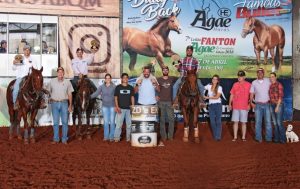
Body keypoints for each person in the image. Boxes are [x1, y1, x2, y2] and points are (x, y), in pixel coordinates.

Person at [12, 45, 42, 110]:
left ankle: (41, 102)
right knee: (16, 88)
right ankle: (15, 103)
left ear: (30, 51)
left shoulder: (33, 59)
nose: (27, 51)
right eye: (25, 50)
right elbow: (13, 68)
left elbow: (36, 69)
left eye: (28, 50)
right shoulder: (20, 58)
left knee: (39, 86)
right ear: (23, 51)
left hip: (30, 78)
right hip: (21, 77)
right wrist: (14, 63)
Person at [49, 67, 73, 144]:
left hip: (64, 103)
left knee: (65, 122)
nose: (60, 74)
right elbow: (48, 92)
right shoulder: (52, 81)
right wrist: (49, 99)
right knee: (55, 123)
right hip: (54, 103)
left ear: (63, 73)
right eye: (59, 72)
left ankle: (64, 139)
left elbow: (70, 94)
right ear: (57, 73)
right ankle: (56, 139)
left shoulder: (67, 82)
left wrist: (70, 105)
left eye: (61, 72)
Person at [90, 73, 116, 142]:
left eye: (109, 78)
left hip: (113, 106)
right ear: (105, 79)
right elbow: (96, 93)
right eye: (106, 78)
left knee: (112, 122)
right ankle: (106, 136)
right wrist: (89, 97)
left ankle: (112, 137)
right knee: (106, 122)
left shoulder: (114, 87)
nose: (107, 79)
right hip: (105, 107)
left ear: (110, 79)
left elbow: (117, 96)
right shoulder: (101, 87)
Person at [250, 68, 272, 143]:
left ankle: (268, 138)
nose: (260, 74)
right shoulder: (254, 82)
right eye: (258, 72)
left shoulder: (268, 80)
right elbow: (251, 93)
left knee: (268, 122)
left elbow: (273, 87)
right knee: (258, 122)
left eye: (261, 72)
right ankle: (258, 137)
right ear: (257, 74)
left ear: (263, 73)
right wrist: (251, 102)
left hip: (267, 104)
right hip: (258, 105)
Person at [228, 70, 251, 142]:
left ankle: (243, 137)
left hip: (244, 107)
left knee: (243, 122)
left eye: (241, 76)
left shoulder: (249, 85)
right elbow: (232, 94)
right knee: (235, 122)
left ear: (244, 77)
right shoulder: (235, 84)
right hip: (235, 106)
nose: (239, 77)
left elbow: (251, 96)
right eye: (238, 76)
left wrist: (249, 104)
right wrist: (229, 104)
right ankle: (235, 137)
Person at [157, 66, 176, 146]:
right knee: (162, 120)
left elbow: (179, 82)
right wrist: (156, 95)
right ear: (162, 71)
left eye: (166, 70)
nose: (165, 71)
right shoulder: (158, 79)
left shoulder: (172, 79)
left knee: (171, 119)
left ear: (168, 71)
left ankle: (170, 136)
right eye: (164, 70)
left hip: (169, 102)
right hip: (161, 102)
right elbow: (155, 88)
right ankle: (164, 137)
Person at [114, 73, 135, 142]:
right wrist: (117, 107)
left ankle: (128, 138)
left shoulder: (131, 88)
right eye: (124, 77)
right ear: (122, 79)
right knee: (118, 125)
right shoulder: (118, 87)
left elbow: (132, 97)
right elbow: (116, 98)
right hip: (120, 109)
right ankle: (116, 138)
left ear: (128, 79)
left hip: (129, 109)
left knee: (129, 125)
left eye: (126, 77)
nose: (125, 79)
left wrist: (133, 105)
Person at [204, 74, 223, 141]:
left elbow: (217, 97)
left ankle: (218, 136)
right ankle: (216, 135)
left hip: (218, 105)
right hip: (211, 106)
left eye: (215, 79)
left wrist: (207, 97)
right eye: (213, 79)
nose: (214, 80)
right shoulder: (208, 86)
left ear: (218, 81)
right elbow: (202, 88)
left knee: (218, 121)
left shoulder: (220, 87)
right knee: (212, 122)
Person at [269, 72, 286, 143]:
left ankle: (282, 139)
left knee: (279, 123)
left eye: (273, 76)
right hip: (272, 105)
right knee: (275, 123)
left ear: (275, 77)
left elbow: (280, 97)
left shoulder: (279, 85)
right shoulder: (270, 86)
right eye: (270, 77)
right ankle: (276, 138)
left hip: (278, 105)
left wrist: (277, 106)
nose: (271, 78)